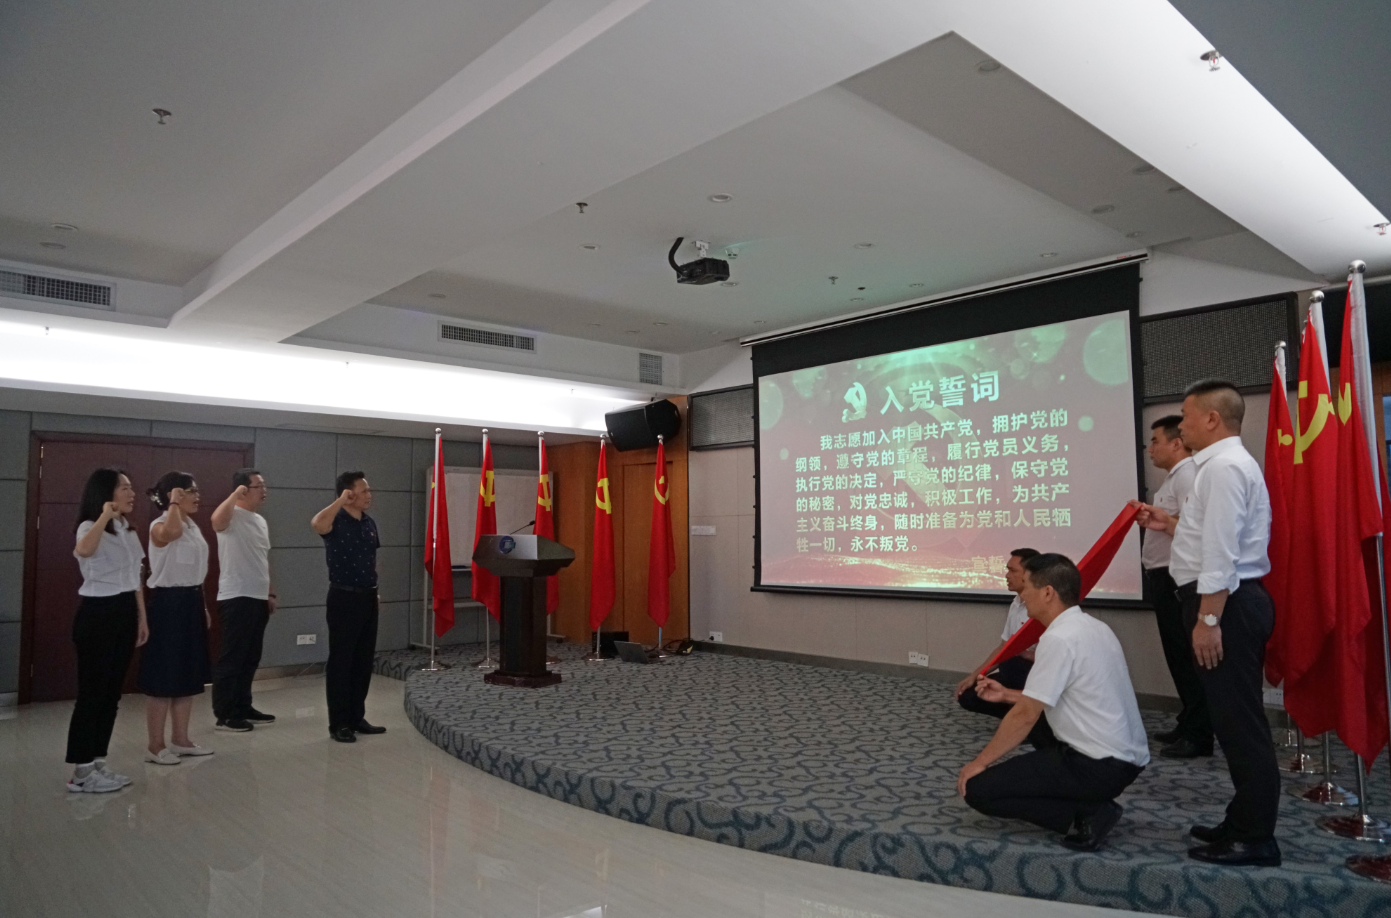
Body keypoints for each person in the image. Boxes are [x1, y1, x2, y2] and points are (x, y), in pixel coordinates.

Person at [1134, 379, 1280, 867]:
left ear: (1212, 419)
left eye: (1186, 415)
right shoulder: (1220, 466)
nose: (1182, 425)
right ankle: (1242, 821)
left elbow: (1220, 553)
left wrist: (1208, 619)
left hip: (1226, 605)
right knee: (1232, 720)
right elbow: (1206, 536)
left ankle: (1254, 837)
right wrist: (1167, 524)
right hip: (1224, 602)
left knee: (1240, 725)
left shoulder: (1222, 468)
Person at [958, 553, 1149, 851]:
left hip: (1097, 765)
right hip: (1125, 759)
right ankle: (1085, 800)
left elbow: (1025, 715)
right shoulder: (1094, 627)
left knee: (977, 789)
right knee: (1038, 734)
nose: (1023, 595)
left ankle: (1088, 814)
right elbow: (1064, 694)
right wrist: (1006, 694)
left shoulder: (1058, 639)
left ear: (1048, 592)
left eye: (1027, 586)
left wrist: (978, 763)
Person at [67, 467, 148, 793]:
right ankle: (81, 771)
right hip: (98, 613)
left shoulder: (128, 528)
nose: (131, 493)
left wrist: (142, 617)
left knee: (112, 694)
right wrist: (104, 516)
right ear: (105, 493)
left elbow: (136, 575)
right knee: (92, 693)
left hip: (125, 609)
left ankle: (98, 761)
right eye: (124, 488)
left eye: (131, 487)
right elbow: (84, 551)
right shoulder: (90, 526)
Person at [1140, 415, 1211, 758]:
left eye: (1155, 441)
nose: (1150, 449)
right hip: (1164, 577)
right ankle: (1189, 721)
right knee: (1177, 656)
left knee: (1185, 656)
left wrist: (1163, 521)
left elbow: (1194, 526)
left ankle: (1199, 734)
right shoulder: (1174, 478)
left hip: (1176, 578)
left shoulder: (1187, 475)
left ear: (1176, 443)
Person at [140, 472, 216, 764]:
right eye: (191, 491)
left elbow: (196, 570)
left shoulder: (193, 526)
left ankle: (181, 739)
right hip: (167, 604)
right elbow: (170, 535)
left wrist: (203, 606)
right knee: (164, 674)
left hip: (191, 600)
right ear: (176, 495)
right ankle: (155, 745)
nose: (197, 496)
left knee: (187, 673)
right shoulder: (160, 524)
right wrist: (172, 503)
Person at [310, 471, 386, 743]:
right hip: (344, 597)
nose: (369, 495)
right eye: (363, 491)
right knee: (342, 661)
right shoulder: (335, 520)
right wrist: (340, 501)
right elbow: (317, 524)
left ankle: (356, 717)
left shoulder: (369, 522)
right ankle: (339, 723)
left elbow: (372, 558)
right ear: (349, 493)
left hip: (368, 596)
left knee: (363, 660)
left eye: (368, 490)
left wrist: (376, 590)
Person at [955, 548, 1054, 747]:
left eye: (1012, 570)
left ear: (1030, 575)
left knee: (1013, 663)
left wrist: (1027, 655)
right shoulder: (1016, 603)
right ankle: (1022, 718)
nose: (1007, 575)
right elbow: (1004, 646)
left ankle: (1034, 723)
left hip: (1040, 675)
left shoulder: (1047, 607)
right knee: (969, 695)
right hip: (1016, 674)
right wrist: (976, 675)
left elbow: (1058, 661)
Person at [211, 468, 277, 732]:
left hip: (258, 596)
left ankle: (243, 705)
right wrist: (234, 495)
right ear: (243, 490)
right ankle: (225, 714)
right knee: (233, 657)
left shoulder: (260, 521)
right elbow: (216, 521)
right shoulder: (231, 515)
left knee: (251, 657)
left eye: (264, 485)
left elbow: (263, 558)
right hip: (236, 595)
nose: (264, 490)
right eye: (259, 486)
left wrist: (270, 592)